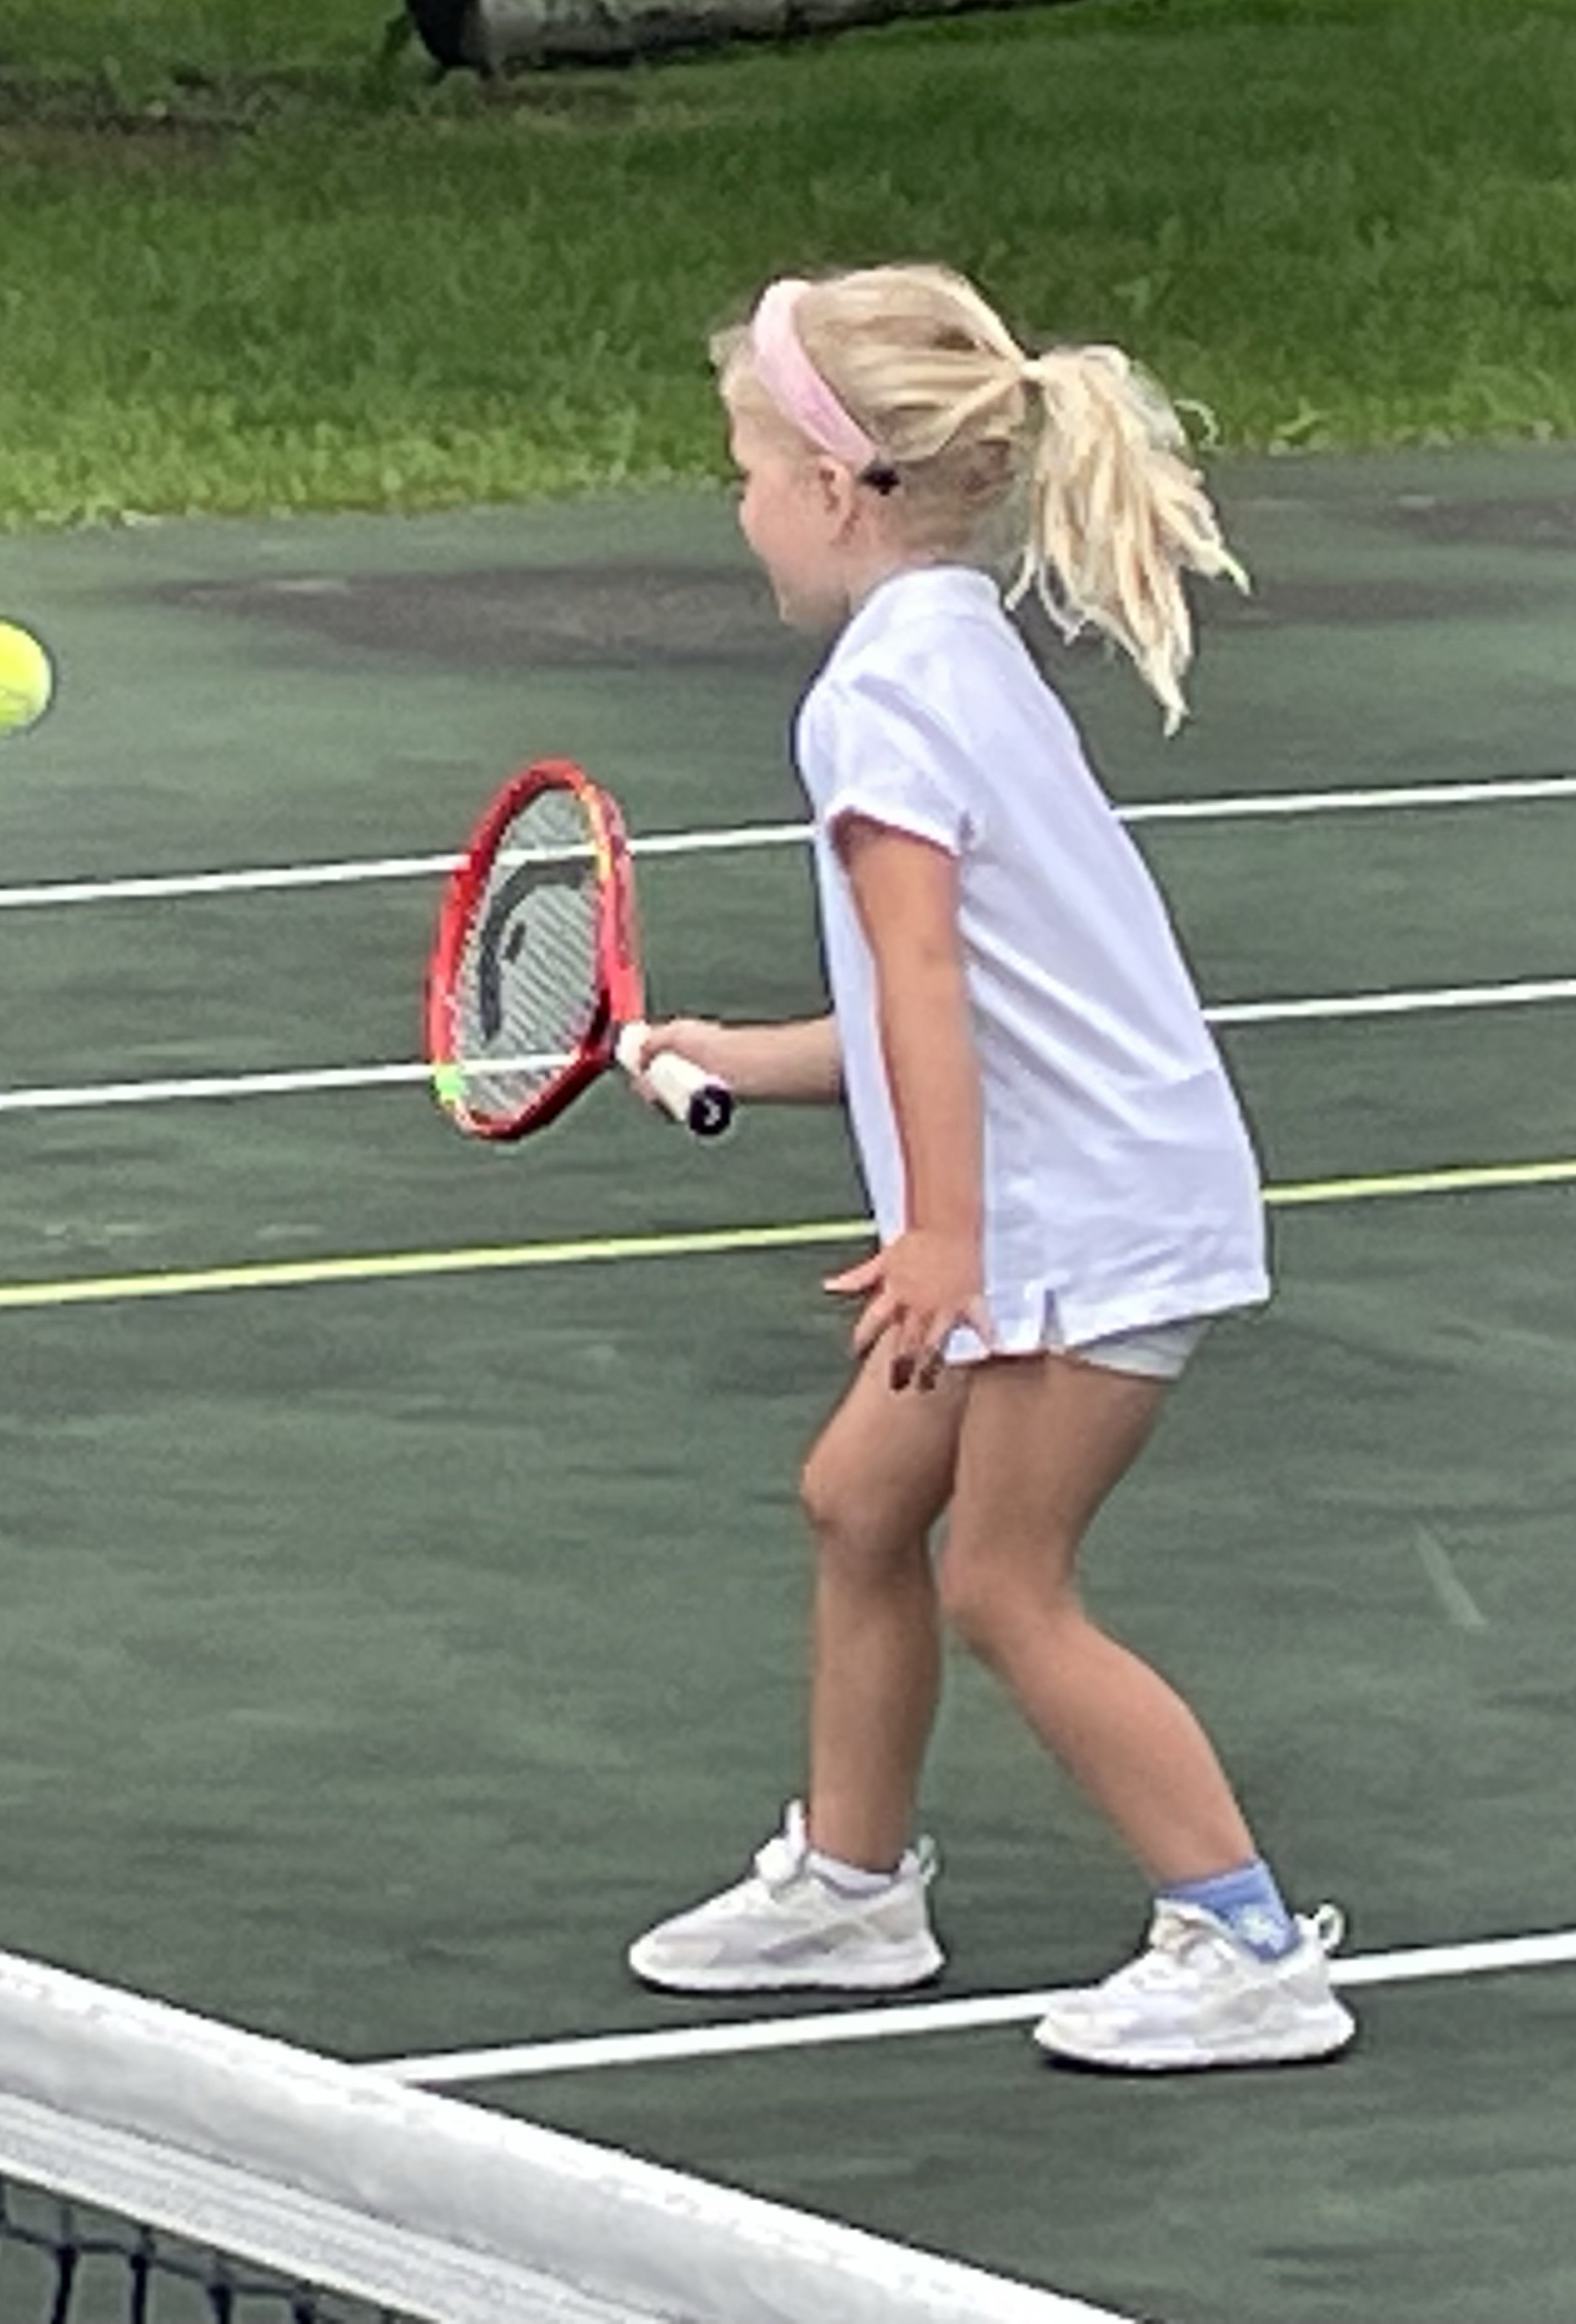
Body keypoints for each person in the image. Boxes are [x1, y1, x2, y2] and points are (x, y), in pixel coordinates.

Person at [624, 264, 1354, 2071]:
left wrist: (943, 1235)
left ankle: (1246, 1943)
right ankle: (853, 1890)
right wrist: (745, 1055)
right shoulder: (950, 651)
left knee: (1006, 1584)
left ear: (832, 484)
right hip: (1067, 1188)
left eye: (744, 470)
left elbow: (931, 982)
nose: (738, 506)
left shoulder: (878, 704)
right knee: (858, 1501)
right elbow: (924, 998)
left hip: (1083, 1213)